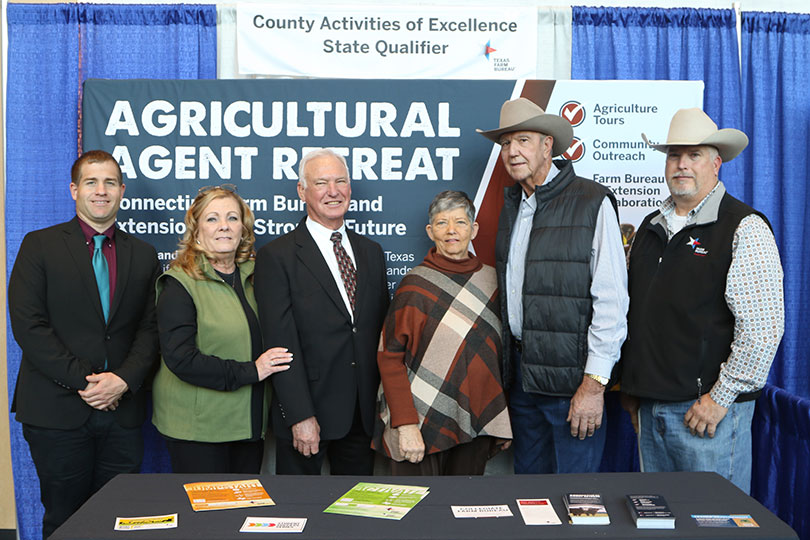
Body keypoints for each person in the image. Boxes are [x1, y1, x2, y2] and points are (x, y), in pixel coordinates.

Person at [620, 108, 784, 493]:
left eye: (693, 155)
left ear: (716, 163)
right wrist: (631, 387)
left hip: (705, 413)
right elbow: (638, 312)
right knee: (659, 523)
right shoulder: (649, 226)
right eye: (674, 155)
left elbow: (762, 329)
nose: (681, 165)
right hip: (650, 408)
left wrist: (719, 398)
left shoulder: (744, 227)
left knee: (714, 523)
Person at [8, 150, 160, 539]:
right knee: (65, 521)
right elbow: (29, 326)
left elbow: (150, 329)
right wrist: (91, 383)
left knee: (121, 521)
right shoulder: (38, 246)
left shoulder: (142, 254)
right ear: (74, 189)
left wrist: (122, 380)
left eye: (110, 182)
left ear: (122, 191)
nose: (101, 191)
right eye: (91, 182)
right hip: (56, 413)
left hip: (122, 413)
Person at [477, 97, 629, 474]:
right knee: (531, 500)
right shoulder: (514, 204)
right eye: (506, 143)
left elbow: (611, 300)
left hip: (572, 386)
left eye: (523, 140)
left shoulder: (592, 201)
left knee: (576, 502)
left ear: (548, 145)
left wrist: (593, 386)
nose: (512, 152)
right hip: (524, 383)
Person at [254, 148, 389, 475]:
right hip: (308, 414)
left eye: (340, 181)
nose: (333, 191)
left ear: (350, 188)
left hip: (361, 416)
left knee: (357, 518)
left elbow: (378, 333)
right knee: (299, 513)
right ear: (302, 191)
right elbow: (279, 344)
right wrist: (299, 416)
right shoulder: (277, 256)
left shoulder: (371, 252)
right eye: (321, 183)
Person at [151, 185, 292, 474]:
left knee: (243, 516)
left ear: (244, 227)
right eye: (212, 219)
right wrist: (252, 371)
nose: (224, 226)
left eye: (232, 218)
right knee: (207, 519)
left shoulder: (258, 276)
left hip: (249, 425)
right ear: (196, 229)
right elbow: (181, 359)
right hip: (198, 431)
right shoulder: (179, 283)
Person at [372, 191, 512, 475]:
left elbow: (501, 356)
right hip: (420, 421)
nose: (451, 231)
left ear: (473, 229)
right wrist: (405, 423)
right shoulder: (415, 285)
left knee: (463, 508)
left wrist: (497, 419)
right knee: (418, 511)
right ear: (430, 231)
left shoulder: (494, 281)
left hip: (476, 419)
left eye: (460, 222)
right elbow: (389, 359)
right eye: (441, 223)